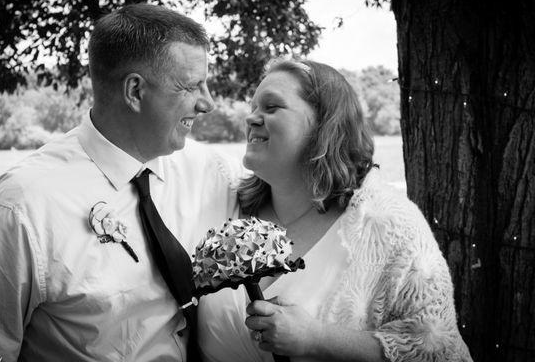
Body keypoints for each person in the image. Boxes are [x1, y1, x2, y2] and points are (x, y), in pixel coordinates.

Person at [0, 3, 241, 361]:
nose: (208, 103)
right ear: (135, 92)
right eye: (192, 86)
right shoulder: (23, 205)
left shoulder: (210, 169)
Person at [197, 59, 473, 362]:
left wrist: (316, 339)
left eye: (272, 107)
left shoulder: (389, 224)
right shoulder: (226, 205)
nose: (251, 118)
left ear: (324, 127)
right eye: (253, 108)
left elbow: (437, 346)